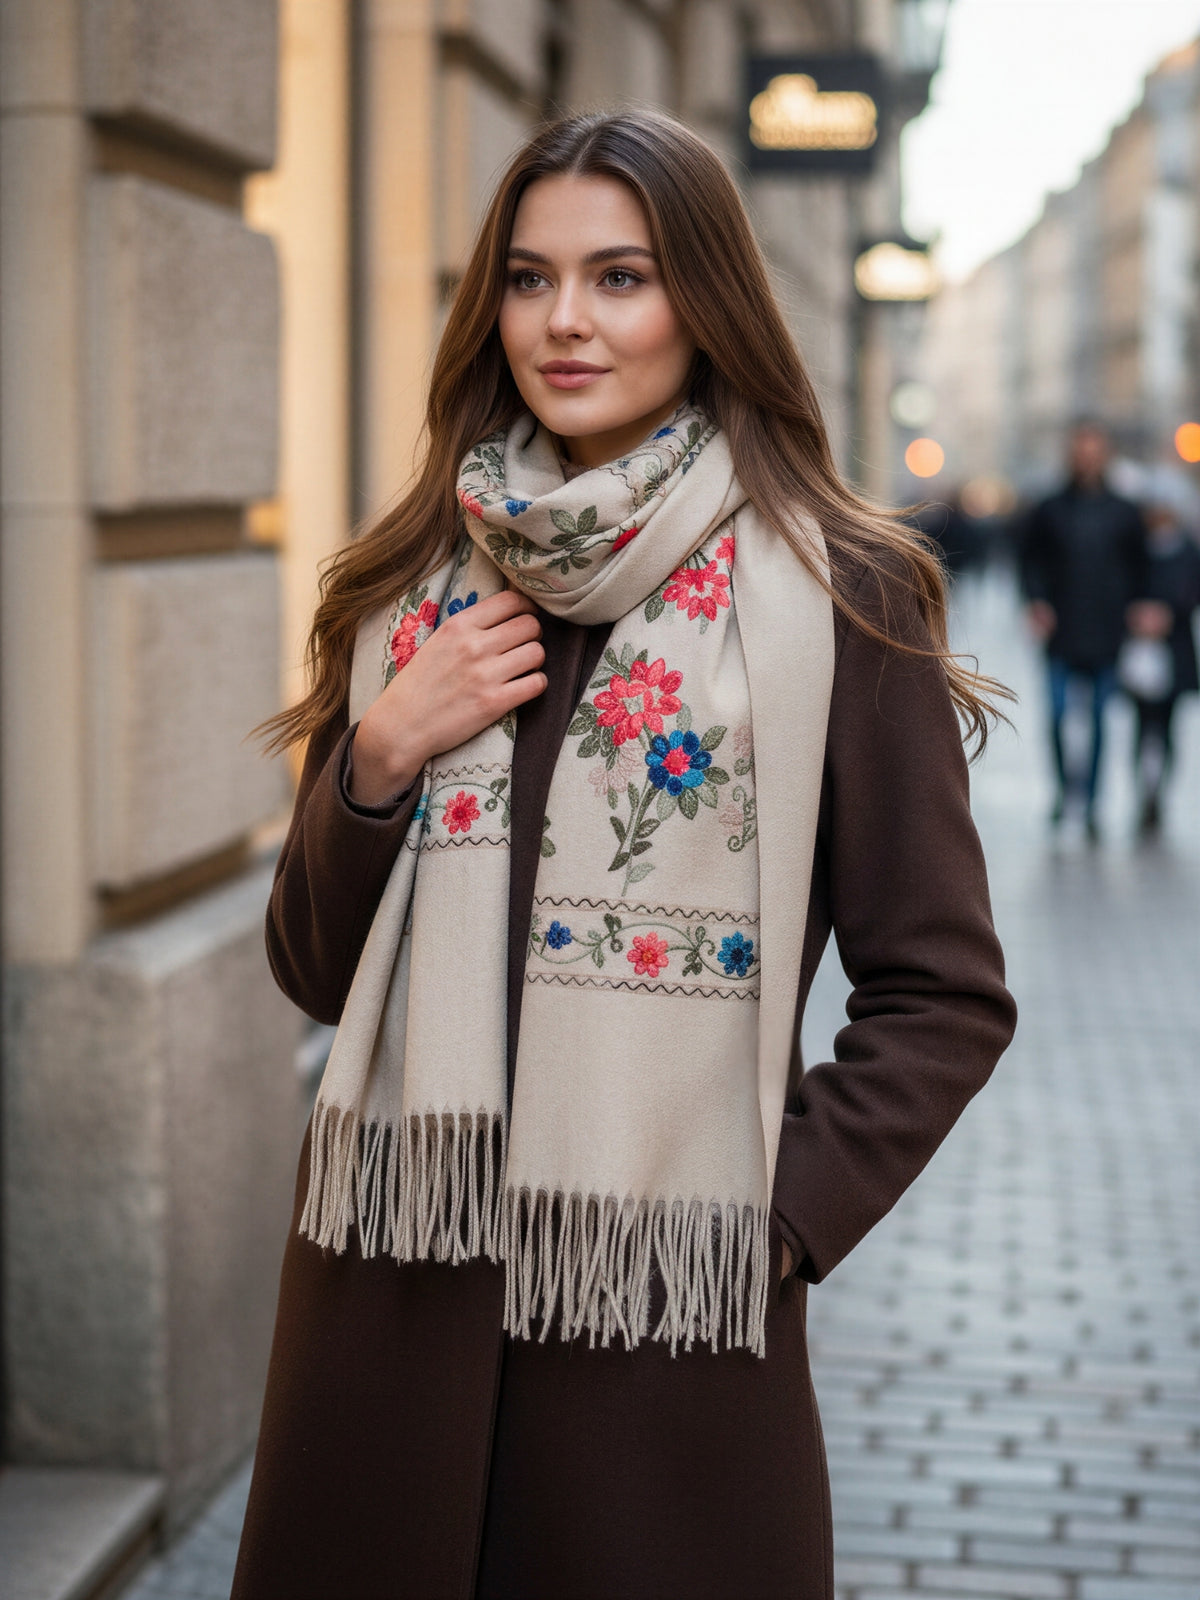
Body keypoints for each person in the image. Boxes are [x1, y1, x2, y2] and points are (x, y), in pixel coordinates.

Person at [231, 109, 1016, 1600]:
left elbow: (944, 996)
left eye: (620, 277)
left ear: (703, 301)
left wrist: (770, 1224)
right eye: (529, 280)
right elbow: (313, 967)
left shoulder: (843, 594)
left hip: (658, 1349)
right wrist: (381, 756)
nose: (565, 322)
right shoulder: (409, 581)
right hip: (392, 1314)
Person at [1019, 421, 1147, 837]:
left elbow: (1139, 568)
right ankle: (1064, 791)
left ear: (1104, 456)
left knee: (1098, 721)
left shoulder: (1124, 511)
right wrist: (1036, 601)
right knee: (1056, 715)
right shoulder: (1050, 507)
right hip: (1061, 631)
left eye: (1094, 451)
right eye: (1081, 451)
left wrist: (1140, 608)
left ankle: (1091, 803)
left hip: (1108, 632)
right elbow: (1030, 560)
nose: (1087, 459)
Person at [1123, 499, 1200, 836]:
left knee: (1166, 727)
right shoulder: (1137, 548)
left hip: (1175, 651)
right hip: (1140, 649)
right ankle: (1145, 787)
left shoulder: (1188, 551)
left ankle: (1158, 790)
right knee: (1142, 725)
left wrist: (1169, 614)